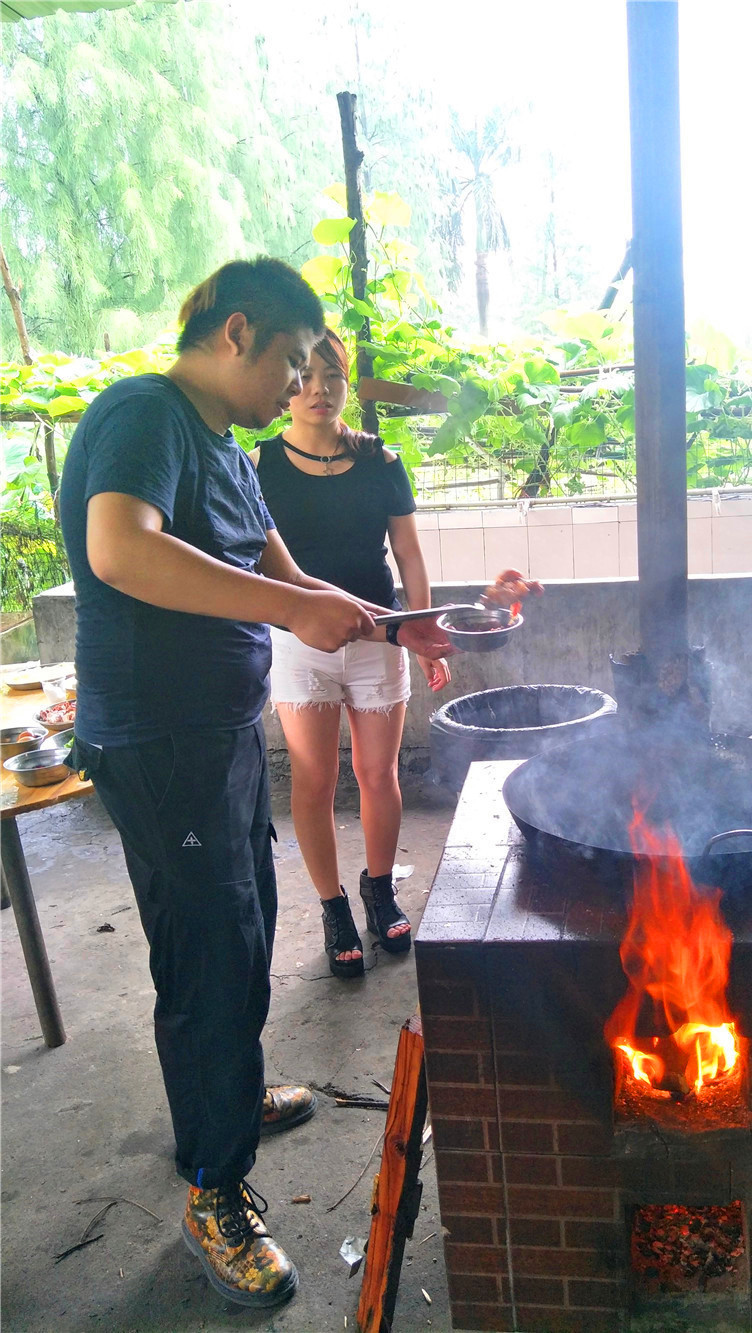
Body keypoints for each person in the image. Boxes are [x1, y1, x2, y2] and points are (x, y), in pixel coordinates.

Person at [58, 258, 454, 1310]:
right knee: (206, 947)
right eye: (289, 360)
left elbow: (292, 577)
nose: (298, 384)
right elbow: (119, 552)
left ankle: (224, 1097)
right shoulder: (144, 415)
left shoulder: (226, 451)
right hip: (158, 738)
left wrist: (407, 624)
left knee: (248, 915)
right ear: (237, 331)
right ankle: (212, 1187)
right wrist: (290, 618)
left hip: (221, 728)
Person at [251, 329, 449, 978]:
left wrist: (422, 634)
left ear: (347, 382)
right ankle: (334, 905)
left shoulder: (382, 463)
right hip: (299, 643)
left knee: (377, 772)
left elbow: (410, 556)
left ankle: (380, 887)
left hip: (379, 637)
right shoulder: (258, 467)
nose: (318, 389)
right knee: (313, 779)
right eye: (304, 375)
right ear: (285, 385)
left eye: (332, 375)